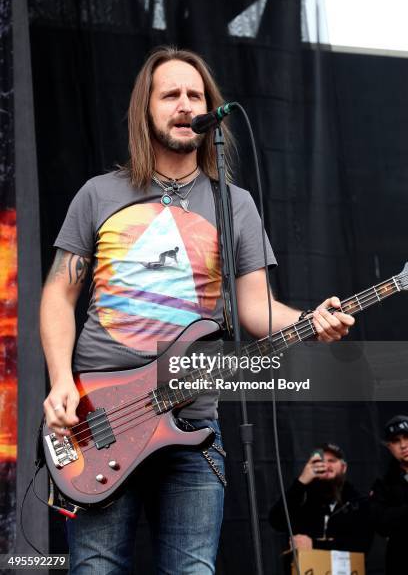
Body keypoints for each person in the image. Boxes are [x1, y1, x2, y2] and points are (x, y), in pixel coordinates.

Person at [40, 46, 355, 574]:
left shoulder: (236, 205)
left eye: (196, 95)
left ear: (211, 111)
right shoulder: (99, 194)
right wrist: (59, 381)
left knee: (192, 570)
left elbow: (256, 310)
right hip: (98, 414)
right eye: (171, 95)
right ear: (147, 108)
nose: (185, 105)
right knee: (94, 567)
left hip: (191, 418)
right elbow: (58, 294)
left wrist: (309, 322)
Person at [269, 443, 373, 557]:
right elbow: (276, 521)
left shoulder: (357, 502)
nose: (326, 465)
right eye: (321, 462)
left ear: (344, 468)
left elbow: (360, 546)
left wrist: (314, 545)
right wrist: (301, 482)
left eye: (332, 461)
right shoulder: (303, 498)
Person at [370, 415, 408, 575]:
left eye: (407, 437)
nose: (403, 445)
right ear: (389, 446)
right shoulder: (383, 484)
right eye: (396, 441)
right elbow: (382, 524)